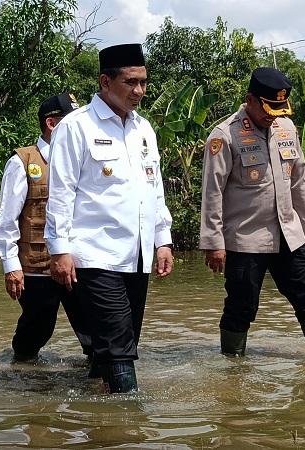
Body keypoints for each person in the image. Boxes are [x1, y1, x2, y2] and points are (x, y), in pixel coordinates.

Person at [45, 43, 175, 393]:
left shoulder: (143, 129)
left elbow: (154, 189)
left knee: (122, 339)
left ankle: (97, 409)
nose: (139, 91)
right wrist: (59, 250)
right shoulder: (76, 127)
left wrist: (163, 240)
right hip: (95, 254)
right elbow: (61, 193)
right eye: (130, 82)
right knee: (119, 344)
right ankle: (130, 412)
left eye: (143, 82)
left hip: (137, 254)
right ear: (105, 81)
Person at [199, 67, 305, 358]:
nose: (273, 115)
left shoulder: (286, 129)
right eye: (268, 108)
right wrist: (214, 243)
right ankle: (232, 369)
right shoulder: (225, 135)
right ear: (250, 99)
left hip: (291, 234)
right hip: (246, 239)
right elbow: (212, 192)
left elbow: (300, 180)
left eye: (279, 108)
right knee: (242, 305)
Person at [0, 93, 92, 363]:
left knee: (94, 330)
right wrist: (11, 266)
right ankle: (20, 373)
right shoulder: (23, 162)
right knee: (38, 328)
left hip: (79, 260)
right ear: (51, 123)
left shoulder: (85, 159)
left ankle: (98, 378)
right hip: (37, 265)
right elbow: (7, 219)